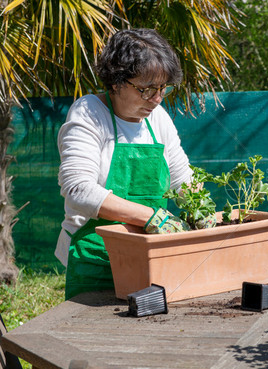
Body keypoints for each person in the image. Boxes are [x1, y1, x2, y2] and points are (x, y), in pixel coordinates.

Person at [56, 28, 192, 300]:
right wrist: (152, 217)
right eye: (146, 90)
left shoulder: (158, 118)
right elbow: (78, 189)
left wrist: (200, 209)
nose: (156, 99)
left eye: (163, 88)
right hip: (94, 257)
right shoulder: (89, 114)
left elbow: (182, 179)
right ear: (116, 82)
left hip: (149, 256)